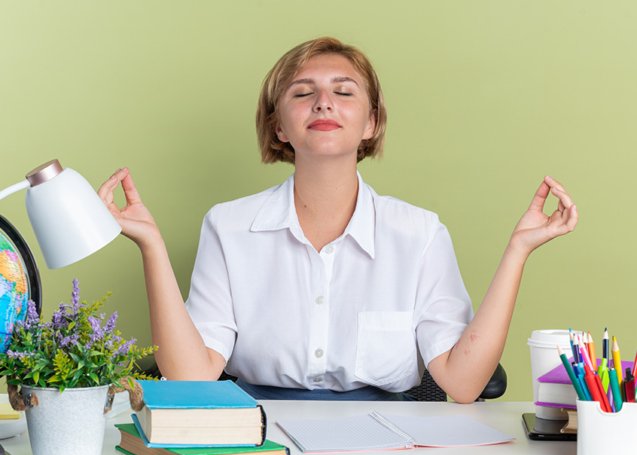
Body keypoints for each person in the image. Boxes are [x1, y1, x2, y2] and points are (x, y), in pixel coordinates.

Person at [98, 37, 578, 402]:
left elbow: (462, 383)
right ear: (279, 126)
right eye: (303, 93)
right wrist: (151, 246)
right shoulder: (227, 226)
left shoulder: (420, 233)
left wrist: (518, 251)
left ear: (371, 123)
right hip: (257, 432)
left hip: (389, 441)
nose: (323, 103)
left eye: (343, 92)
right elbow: (189, 376)